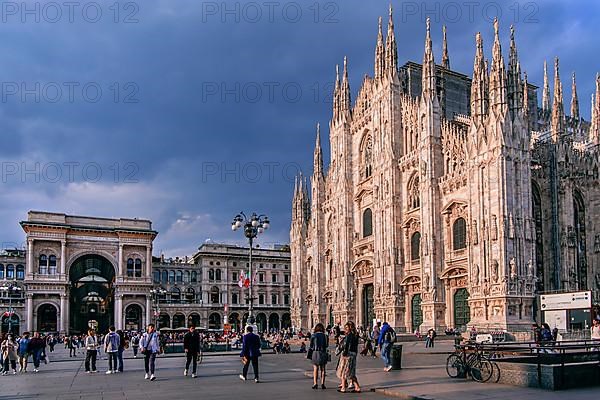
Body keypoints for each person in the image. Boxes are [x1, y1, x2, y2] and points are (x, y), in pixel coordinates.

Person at [336, 322, 361, 393]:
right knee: (351, 372)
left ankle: (343, 388)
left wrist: (344, 353)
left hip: (348, 355)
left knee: (344, 371)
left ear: (350, 328)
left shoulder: (349, 335)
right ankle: (357, 387)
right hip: (353, 354)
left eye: (346, 328)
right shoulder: (355, 335)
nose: (345, 329)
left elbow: (347, 345)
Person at [309, 322, 328, 389]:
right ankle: (323, 383)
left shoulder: (313, 335)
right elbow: (326, 345)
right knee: (323, 369)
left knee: (315, 368)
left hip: (315, 352)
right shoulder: (325, 336)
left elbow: (311, 346)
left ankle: (315, 383)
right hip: (323, 352)